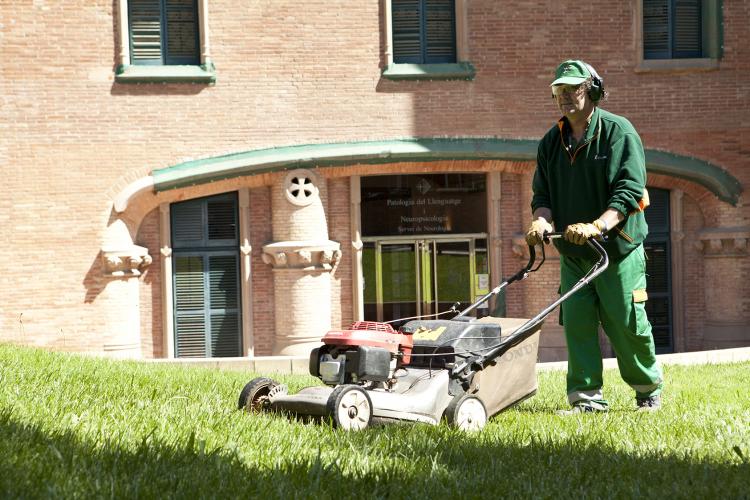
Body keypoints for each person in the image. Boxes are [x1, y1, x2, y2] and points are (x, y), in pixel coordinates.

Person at [525, 60, 663, 413]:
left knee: (625, 321)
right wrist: (541, 221)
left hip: (617, 249)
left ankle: (647, 389)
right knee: (577, 322)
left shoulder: (619, 132)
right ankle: (586, 399)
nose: (565, 96)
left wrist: (597, 226)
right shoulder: (550, 143)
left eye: (574, 89)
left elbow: (629, 191)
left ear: (594, 92)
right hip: (573, 252)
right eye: (560, 90)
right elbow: (542, 197)